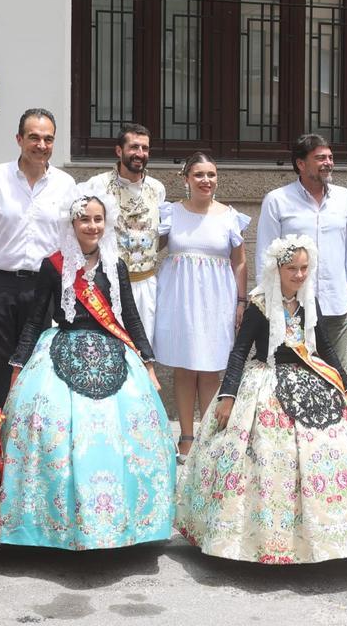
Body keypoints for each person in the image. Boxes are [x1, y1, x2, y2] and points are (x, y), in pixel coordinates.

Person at [175, 235, 347, 563]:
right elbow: (240, 351)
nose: (299, 275)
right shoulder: (259, 304)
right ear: (277, 269)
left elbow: (325, 349)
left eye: (304, 269)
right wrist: (228, 395)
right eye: (292, 269)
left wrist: (345, 387)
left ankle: (325, 534)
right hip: (266, 382)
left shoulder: (308, 302)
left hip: (310, 382)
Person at [0, 186, 175, 549]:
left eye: (98, 219)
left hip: (112, 350)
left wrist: (149, 363)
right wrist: (18, 364)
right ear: (72, 223)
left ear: (105, 223)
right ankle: (52, 525)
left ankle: (126, 522)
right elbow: (35, 319)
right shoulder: (54, 265)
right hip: (62, 347)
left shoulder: (116, 265)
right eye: (84, 220)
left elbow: (131, 317)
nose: (92, 226)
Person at [0, 108, 77, 407]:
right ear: (19, 139)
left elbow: (70, 241)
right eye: (34, 137)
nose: (41, 145)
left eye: (48, 139)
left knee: (38, 363)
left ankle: (29, 433)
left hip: (43, 287)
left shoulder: (66, 184)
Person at [152, 152, 250, 462]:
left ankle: (208, 438)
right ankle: (186, 437)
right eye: (199, 175)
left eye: (211, 174)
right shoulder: (171, 213)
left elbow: (240, 261)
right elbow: (149, 248)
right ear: (186, 179)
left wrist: (241, 300)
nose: (206, 180)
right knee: (184, 367)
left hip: (217, 298)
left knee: (210, 368)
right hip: (180, 297)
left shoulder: (229, 216)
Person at [256, 134, 347, 369]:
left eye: (330, 157)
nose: (328, 162)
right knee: (295, 373)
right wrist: (269, 304)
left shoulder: (344, 198)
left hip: (336, 305)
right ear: (301, 164)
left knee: (336, 374)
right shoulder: (277, 200)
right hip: (293, 306)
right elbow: (265, 257)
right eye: (320, 158)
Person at [89, 123, 167, 340]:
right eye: (134, 147)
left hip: (145, 284)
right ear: (119, 150)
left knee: (142, 349)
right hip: (107, 282)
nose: (139, 154)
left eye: (145, 148)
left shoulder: (157, 189)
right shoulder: (97, 185)